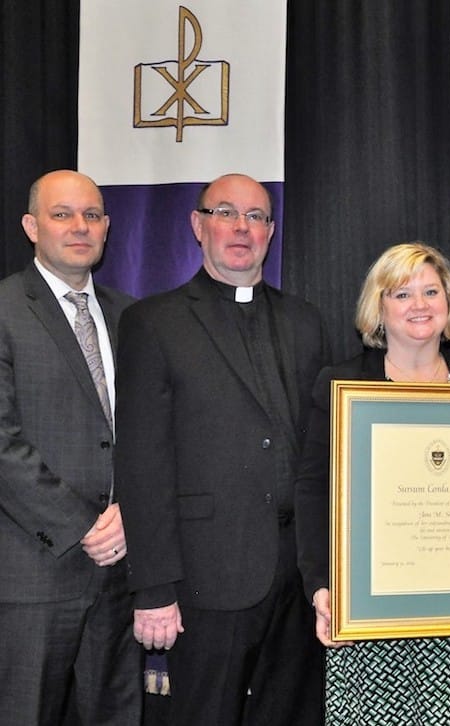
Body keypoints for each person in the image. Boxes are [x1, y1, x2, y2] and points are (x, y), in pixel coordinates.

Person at [113, 173, 326, 724]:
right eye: (226, 212)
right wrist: (153, 586)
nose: (241, 227)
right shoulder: (152, 322)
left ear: (271, 232)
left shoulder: (306, 322)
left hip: (298, 579)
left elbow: (326, 451)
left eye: (255, 216)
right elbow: (140, 462)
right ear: (197, 225)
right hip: (206, 576)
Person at [294, 242, 450, 724]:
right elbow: (312, 491)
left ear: (449, 303)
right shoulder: (342, 384)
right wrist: (321, 584)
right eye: (402, 293)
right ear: (379, 308)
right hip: (371, 610)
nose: (420, 304)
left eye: (431, 291)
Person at [0, 170, 139, 724]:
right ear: (32, 226)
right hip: (34, 573)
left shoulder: (132, 316)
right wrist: (85, 525)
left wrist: (130, 510)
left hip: (121, 568)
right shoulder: (6, 309)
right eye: (63, 214)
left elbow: (149, 435)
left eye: (92, 215)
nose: (80, 226)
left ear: (106, 227)